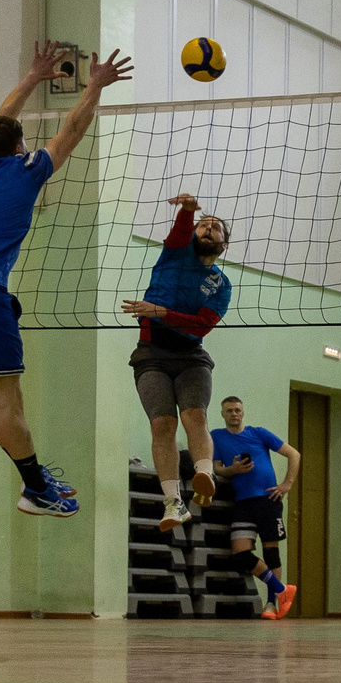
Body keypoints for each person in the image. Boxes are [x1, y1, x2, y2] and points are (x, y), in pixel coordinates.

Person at [0, 39, 131, 518]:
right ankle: (35, 486)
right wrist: (94, 87)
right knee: (6, 398)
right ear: (19, 145)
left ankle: (34, 479)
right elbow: (73, 128)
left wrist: (32, 79)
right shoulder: (26, 171)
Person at [121, 194, 233, 532]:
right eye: (203, 225)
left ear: (223, 246)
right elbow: (179, 233)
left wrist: (161, 312)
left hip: (191, 356)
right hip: (151, 353)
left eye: (215, 228)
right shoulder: (175, 253)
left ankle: (204, 474)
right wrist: (187, 211)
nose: (208, 229)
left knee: (194, 415)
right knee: (163, 427)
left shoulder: (222, 286)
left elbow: (200, 326)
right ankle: (173, 504)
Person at [209, 397, 298, 619]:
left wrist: (287, 484)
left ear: (243, 412)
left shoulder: (258, 433)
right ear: (222, 414)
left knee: (271, 551)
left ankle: (271, 605)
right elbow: (217, 469)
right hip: (243, 502)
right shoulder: (217, 437)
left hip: (269, 499)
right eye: (229, 410)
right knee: (240, 553)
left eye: (237, 410)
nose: (234, 414)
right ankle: (281, 589)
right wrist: (234, 469)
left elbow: (294, 454)